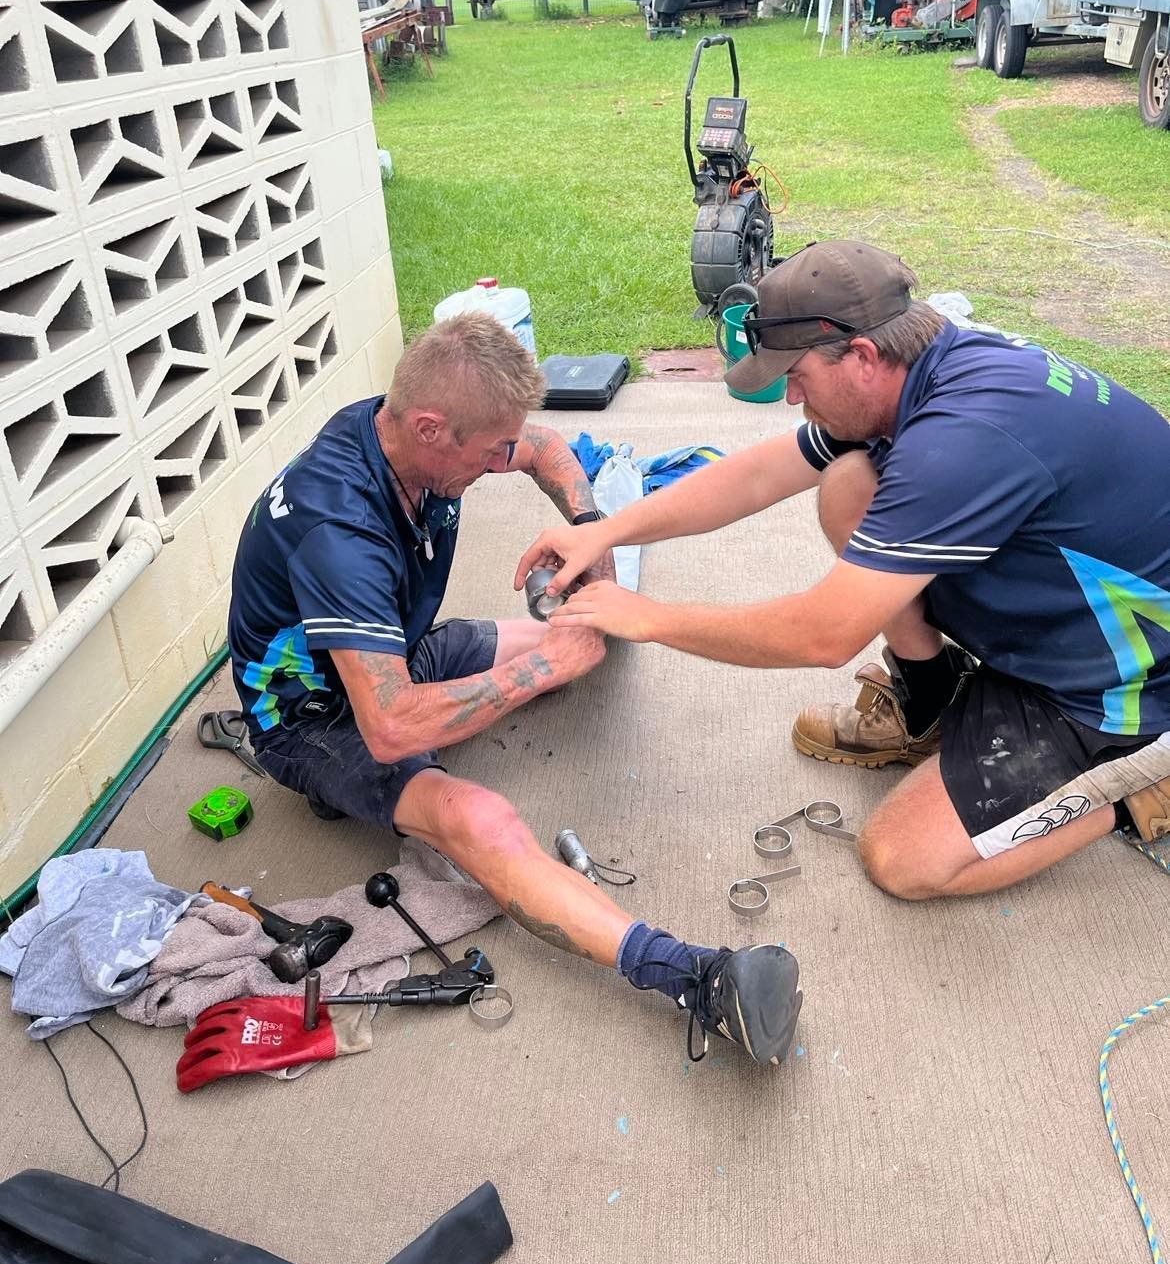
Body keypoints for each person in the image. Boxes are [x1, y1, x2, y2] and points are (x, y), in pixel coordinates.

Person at [227, 312, 802, 1067]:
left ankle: (552, 638)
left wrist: (590, 537)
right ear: (432, 429)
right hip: (323, 723)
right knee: (484, 817)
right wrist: (543, 667)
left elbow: (543, 447)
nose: (505, 458)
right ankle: (695, 978)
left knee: (602, 628)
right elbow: (393, 725)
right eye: (489, 449)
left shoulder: (408, 430)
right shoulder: (340, 530)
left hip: (396, 651)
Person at [518, 241, 1170, 900]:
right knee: (849, 483)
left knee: (904, 859)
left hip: (1124, 683)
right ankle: (934, 703)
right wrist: (604, 530)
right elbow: (758, 475)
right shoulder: (924, 369)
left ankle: (1140, 790)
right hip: (1070, 617)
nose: (791, 395)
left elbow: (823, 635)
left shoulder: (963, 441)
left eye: (796, 376)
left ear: (859, 356)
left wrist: (650, 618)